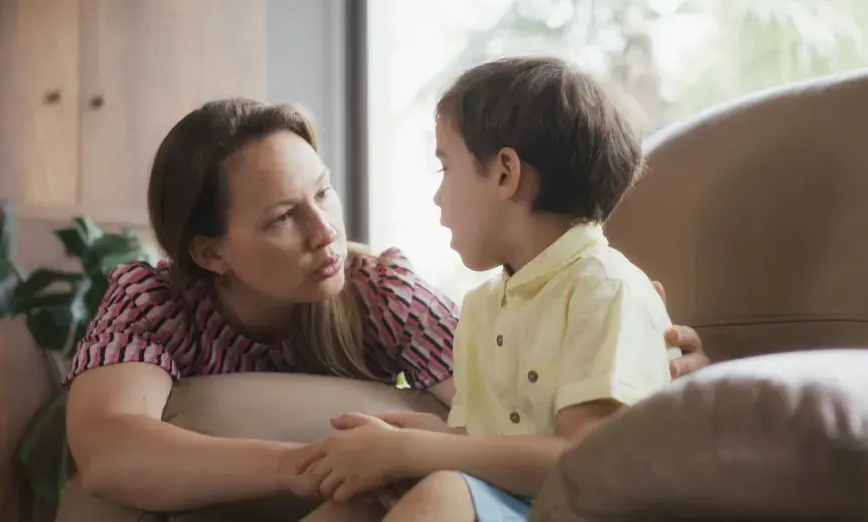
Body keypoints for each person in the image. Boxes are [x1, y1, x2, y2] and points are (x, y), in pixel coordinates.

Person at [63, 97, 709, 513]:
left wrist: (634, 364)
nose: (326, 233)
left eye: (324, 193)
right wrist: (303, 464)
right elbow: (109, 452)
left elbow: (504, 405)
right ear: (211, 255)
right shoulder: (152, 298)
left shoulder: (377, 287)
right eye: (285, 218)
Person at [293, 56, 685, 522]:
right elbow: (493, 448)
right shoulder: (483, 307)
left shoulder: (606, 291)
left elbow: (579, 463)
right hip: (507, 501)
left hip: (577, 509)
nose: (438, 197)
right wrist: (421, 441)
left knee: (443, 494)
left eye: (445, 167)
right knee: (355, 504)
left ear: (505, 172)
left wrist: (412, 451)